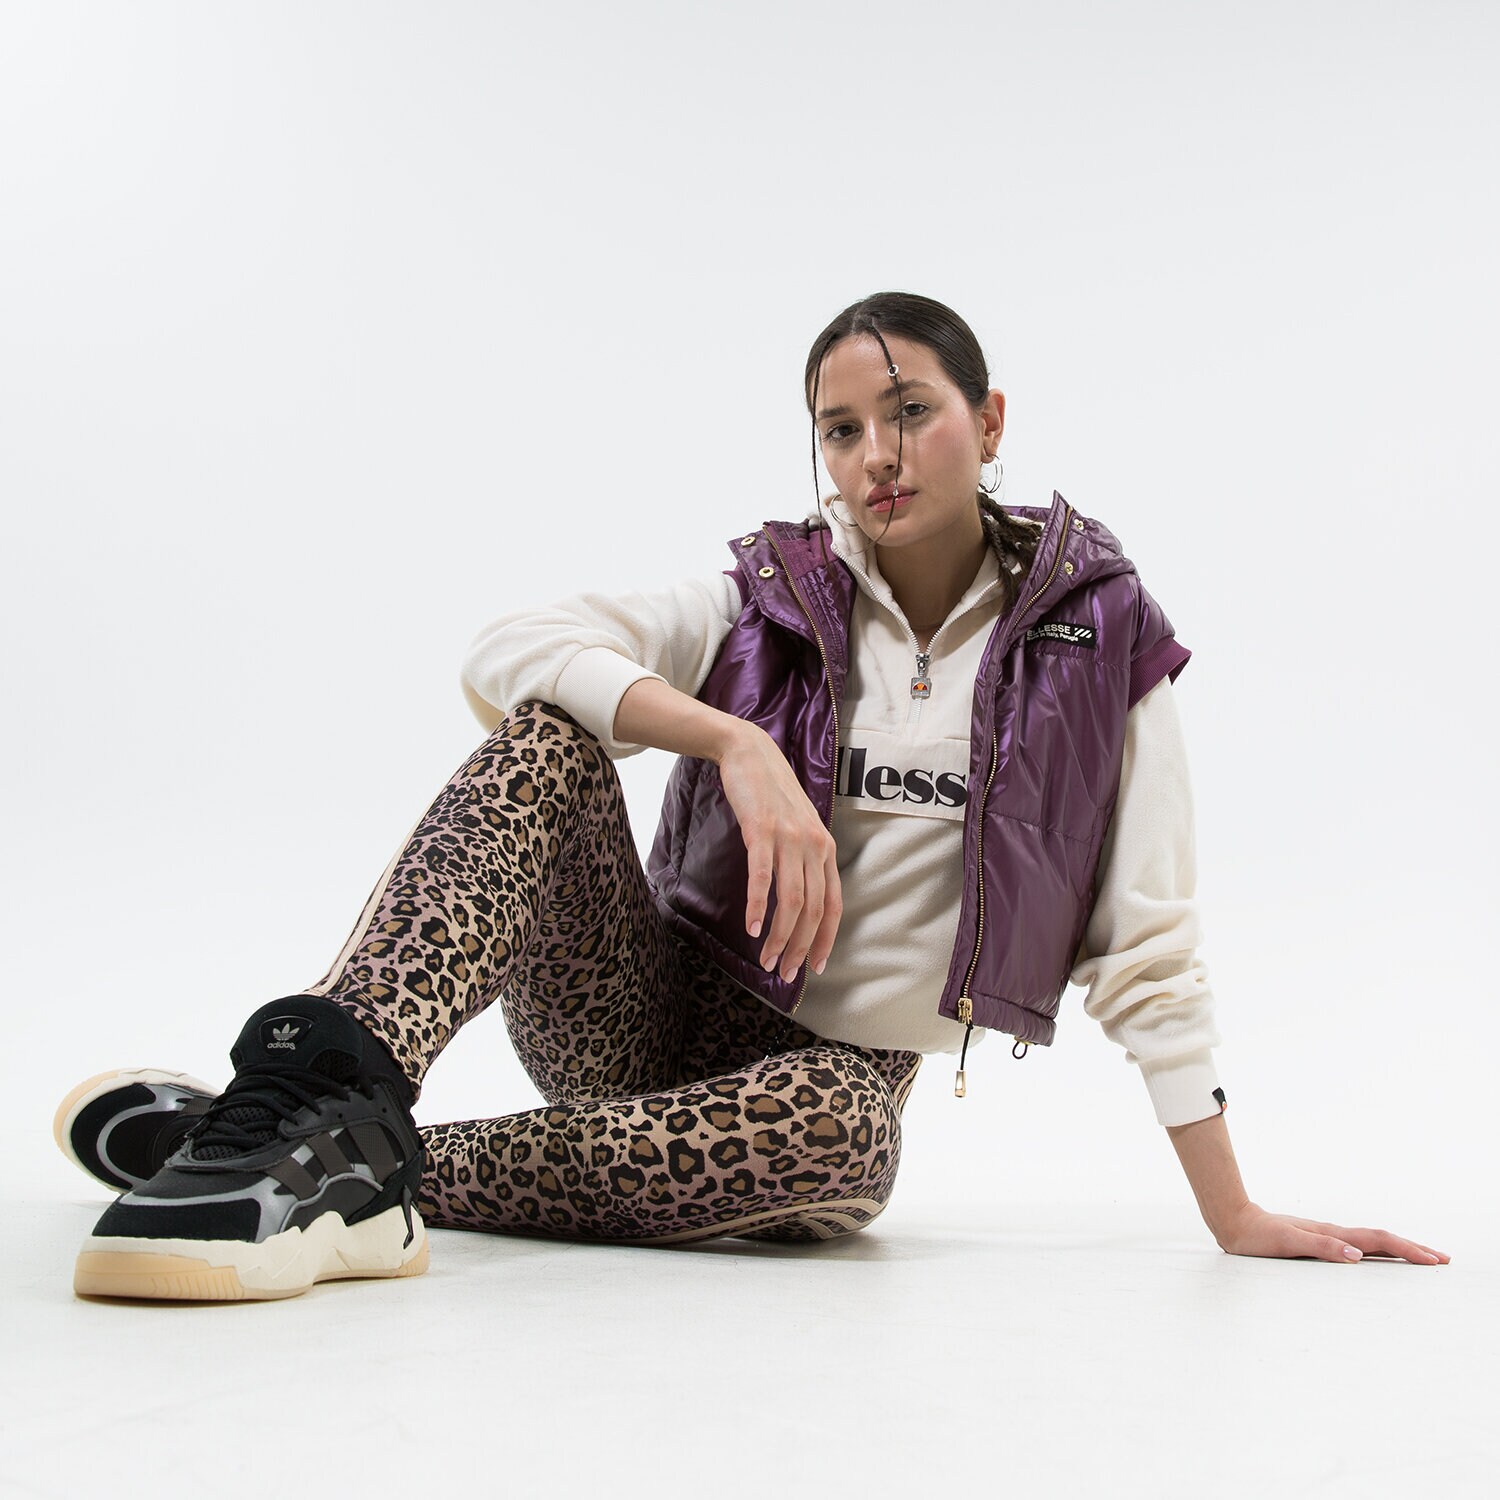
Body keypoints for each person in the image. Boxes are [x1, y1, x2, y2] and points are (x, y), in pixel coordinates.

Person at [54, 291, 1450, 1301]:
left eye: (910, 412)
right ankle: (319, 1090)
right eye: (842, 430)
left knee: (844, 1145)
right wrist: (733, 740)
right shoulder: (771, 597)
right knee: (548, 744)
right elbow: (509, 647)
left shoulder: (1105, 644)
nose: (876, 456)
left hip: (813, 1091)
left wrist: (1234, 1213)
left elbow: (1148, 947)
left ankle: (317, 1160)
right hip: (642, 1008)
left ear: (989, 421)